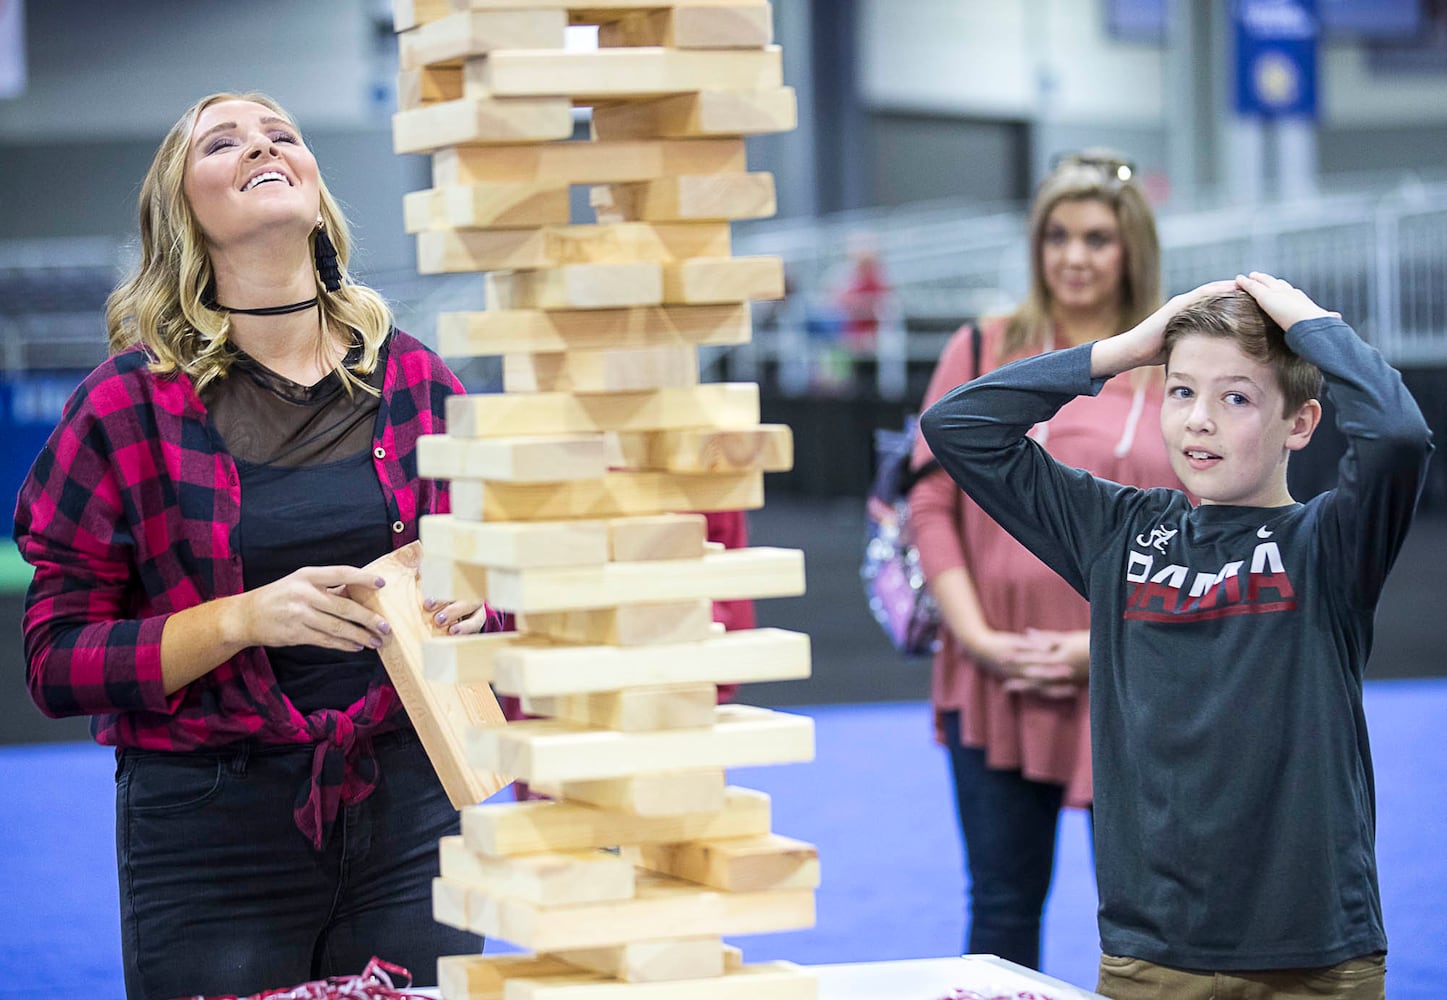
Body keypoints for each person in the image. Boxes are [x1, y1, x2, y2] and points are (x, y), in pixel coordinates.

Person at [12, 92, 497, 999]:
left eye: (282, 135)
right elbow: (54, 661)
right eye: (222, 142)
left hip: (412, 805)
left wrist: (483, 607)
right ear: (181, 211)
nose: (261, 146)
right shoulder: (123, 406)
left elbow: (498, 590)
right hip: (208, 827)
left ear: (313, 187)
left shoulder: (419, 378)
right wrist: (240, 620)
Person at [920, 273, 1433, 998]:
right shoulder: (1119, 531)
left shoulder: (1328, 543)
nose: (1198, 420)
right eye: (1181, 390)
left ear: (1300, 423)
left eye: (1236, 397)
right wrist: (1123, 350)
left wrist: (1315, 325)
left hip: (1313, 954)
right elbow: (957, 426)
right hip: (1151, 954)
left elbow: (1398, 436)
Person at [908, 150, 1181, 968]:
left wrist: (1098, 647)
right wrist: (978, 641)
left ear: (1130, 246)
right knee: (998, 909)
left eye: (1095, 237)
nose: (1072, 255)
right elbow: (930, 504)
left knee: (1144, 923)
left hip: (1132, 679)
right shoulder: (980, 346)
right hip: (991, 675)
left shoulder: (1177, 365)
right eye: (1056, 235)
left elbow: (1208, 525)